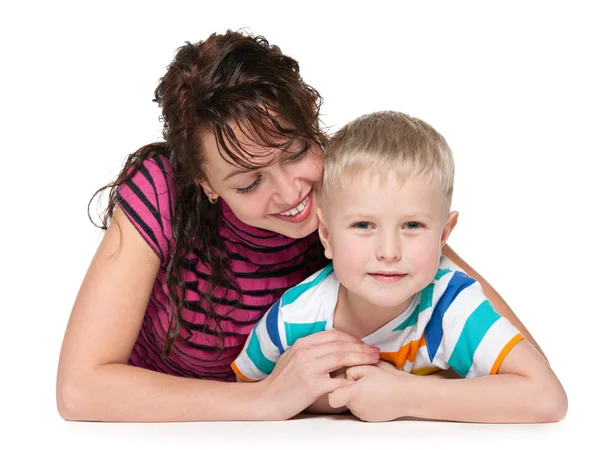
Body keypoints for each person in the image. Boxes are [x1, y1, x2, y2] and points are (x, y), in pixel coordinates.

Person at [56, 30, 548, 422]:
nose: (292, 194)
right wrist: (264, 402)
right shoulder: (162, 191)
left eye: (295, 154)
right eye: (249, 183)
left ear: (314, 128)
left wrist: (411, 391)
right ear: (205, 182)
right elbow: (81, 389)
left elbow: (520, 358)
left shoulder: (347, 190)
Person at [232, 111, 567, 423]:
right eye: (363, 225)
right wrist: (342, 397)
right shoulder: (294, 318)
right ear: (327, 236)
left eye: (412, 226)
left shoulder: (452, 306)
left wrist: (406, 395)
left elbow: (546, 397)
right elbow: (247, 388)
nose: (389, 252)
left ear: (443, 236)